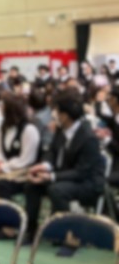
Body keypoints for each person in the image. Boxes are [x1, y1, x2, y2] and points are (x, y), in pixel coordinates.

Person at [24, 90, 105, 238]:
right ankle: (31, 231)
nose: (53, 114)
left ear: (65, 115)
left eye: (56, 110)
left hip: (87, 183)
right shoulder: (61, 130)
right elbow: (52, 152)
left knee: (57, 190)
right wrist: (45, 166)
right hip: (65, 177)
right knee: (32, 185)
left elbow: (81, 172)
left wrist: (51, 176)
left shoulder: (88, 137)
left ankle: (67, 234)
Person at [0, 93, 41, 199]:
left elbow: (26, 160)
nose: (0, 109)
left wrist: (3, 167)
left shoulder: (29, 130)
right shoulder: (3, 127)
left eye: (2, 106)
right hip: (3, 169)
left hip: (21, 174)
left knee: (0, 186)